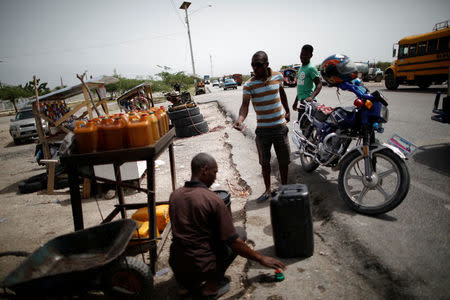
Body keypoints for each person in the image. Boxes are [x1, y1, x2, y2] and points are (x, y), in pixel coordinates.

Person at [169, 153, 286, 299]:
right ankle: (211, 286)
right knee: (240, 233)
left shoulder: (174, 196)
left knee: (190, 245)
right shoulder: (213, 200)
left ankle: (184, 286)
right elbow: (233, 242)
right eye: (214, 172)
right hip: (203, 266)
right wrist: (261, 258)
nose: (215, 177)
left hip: (177, 264)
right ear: (204, 170)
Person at [233, 51, 291, 203]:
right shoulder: (249, 85)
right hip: (263, 130)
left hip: (280, 127)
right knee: (264, 163)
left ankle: (284, 188)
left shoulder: (278, 76)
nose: (254, 68)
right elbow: (244, 106)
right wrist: (240, 119)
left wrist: (288, 110)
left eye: (258, 65)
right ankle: (267, 190)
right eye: (252, 65)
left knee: (283, 161)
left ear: (266, 65)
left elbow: (282, 93)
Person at [292, 44, 322, 122]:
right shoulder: (301, 68)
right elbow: (300, 87)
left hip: (309, 104)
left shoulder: (311, 68)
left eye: (306, 55)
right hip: (302, 102)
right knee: (302, 127)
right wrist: (295, 101)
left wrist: (311, 97)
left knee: (307, 129)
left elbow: (319, 84)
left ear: (311, 55)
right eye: (302, 54)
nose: (303, 56)